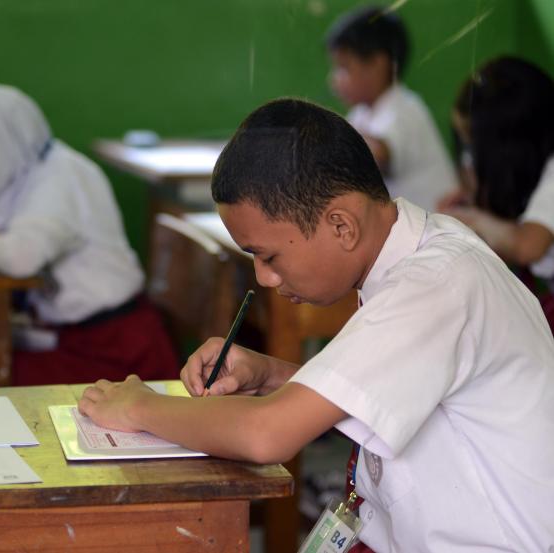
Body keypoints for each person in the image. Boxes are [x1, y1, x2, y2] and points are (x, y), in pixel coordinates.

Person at [79, 98, 554, 552]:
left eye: (268, 256)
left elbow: (265, 435)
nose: (265, 278)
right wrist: (272, 374)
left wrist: (138, 407)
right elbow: (393, 388)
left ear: (342, 226)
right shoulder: (426, 249)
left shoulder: (435, 285)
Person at [0, 83, 179, 386]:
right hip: (75, 336)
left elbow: (21, 257)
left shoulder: (60, 181)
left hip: (113, 353)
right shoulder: (29, 167)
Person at [438, 56, 554, 327]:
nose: (470, 161)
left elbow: (528, 246)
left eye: (473, 148)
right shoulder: (534, 167)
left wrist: (472, 218)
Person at [326, 5, 455, 211]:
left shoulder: (405, 109)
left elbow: (377, 154)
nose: (334, 80)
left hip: (440, 231)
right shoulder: (362, 113)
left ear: (378, 64)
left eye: (344, 68)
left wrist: (324, 134)